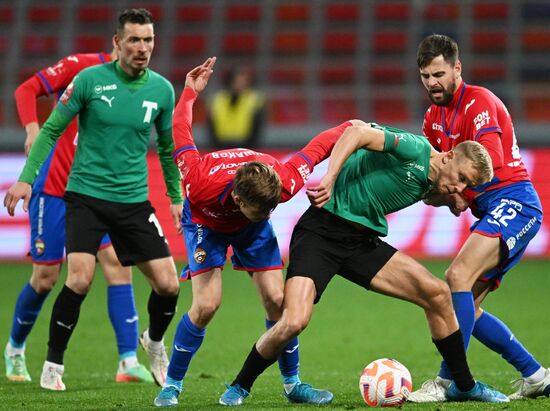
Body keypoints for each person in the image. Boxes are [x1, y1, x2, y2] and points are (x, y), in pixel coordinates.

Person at [220, 119, 512, 405]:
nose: (459, 187)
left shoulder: (434, 178)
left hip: (360, 243)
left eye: (466, 185)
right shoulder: (414, 148)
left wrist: (450, 198)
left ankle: (463, 385)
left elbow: (419, 191)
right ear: (448, 157)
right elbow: (356, 132)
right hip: (321, 233)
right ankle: (240, 385)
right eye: (461, 178)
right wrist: (331, 177)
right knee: (293, 321)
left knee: (436, 294)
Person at [153, 57, 351, 407]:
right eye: (262, 210)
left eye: (273, 208)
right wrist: (189, 93)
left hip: (249, 233)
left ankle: (293, 385)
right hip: (206, 226)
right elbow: (180, 130)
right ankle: (172, 385)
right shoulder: (200, 182)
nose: (270, 214)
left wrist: (354, 127)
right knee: (206, 305)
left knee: (278, 302)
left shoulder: (282, 181)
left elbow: (317, 148)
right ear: (239, 198)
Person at [3, 8, 182, 391]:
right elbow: (38, 109)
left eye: (148, 39)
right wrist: (26, 175)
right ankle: (24, 351)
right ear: (117, 42)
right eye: (134, 39)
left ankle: (135, 354)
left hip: (131, 201)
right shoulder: (84, 74)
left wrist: (175, 197)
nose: (142, 47)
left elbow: (167, 148)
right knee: (56, 277)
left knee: (153, 279)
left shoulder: (161, 90)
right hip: (70, 192)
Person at [408, 34, 550, 402]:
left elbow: (487, 167)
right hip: (491, 209)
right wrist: (441, 193)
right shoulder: (431, 118)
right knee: (465, 302)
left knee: (455, 275)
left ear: (457, 68)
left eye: (438, 73)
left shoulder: (480, 103)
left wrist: (455, 192)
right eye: (425, 76)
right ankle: (535, 375)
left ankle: (447, 383)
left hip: (515, 202)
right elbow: (437, 181)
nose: (432, 83)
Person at [206, 65, 265, 149]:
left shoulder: (255, 99)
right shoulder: (218, 99)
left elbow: (258, 125)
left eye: (243, 81)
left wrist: (252, 147)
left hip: (246, 146)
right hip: (221, 145)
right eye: (237, 81)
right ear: (230, 81)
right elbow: (210, 124)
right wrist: (215, 145)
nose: (240, 84)